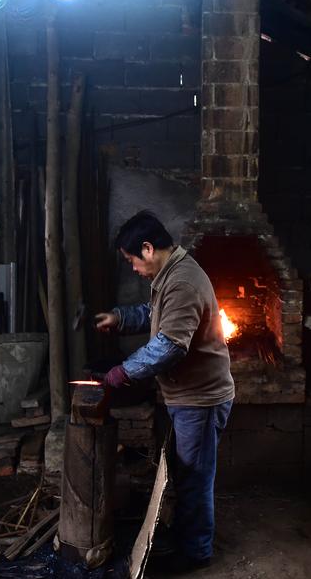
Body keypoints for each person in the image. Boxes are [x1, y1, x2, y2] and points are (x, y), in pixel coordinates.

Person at [95, 211, 234, 573]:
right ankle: (188, 537)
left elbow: (170, 345)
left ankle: (196, 553)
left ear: (147, 248)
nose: (133, 270)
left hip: (200, 399)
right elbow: (157, 314)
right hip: (187, 396)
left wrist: (122, 372)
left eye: (131, 262)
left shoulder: (183, 281)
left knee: (194, 477)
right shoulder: (170, 275)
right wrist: (121, 319)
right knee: (187, 473)